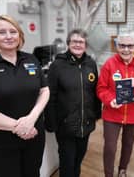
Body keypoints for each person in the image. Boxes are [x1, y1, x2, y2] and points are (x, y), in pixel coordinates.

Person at [0, 15, 50, 177]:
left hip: (33, 137)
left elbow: (44, 90)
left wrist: (32, 119)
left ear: (19, 35)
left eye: (13, 31)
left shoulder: (31, 59)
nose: (8, 36)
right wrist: (19, 127)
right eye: (2, 32)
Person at [96, 30, 134, 177]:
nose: (126, 49)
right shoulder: (109, 64)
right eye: (122, 45)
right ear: (117, 46)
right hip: (112, 113)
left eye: (130, 46)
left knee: (128, 145)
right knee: (110, 147)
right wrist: (110, 100)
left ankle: (122, 170)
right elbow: (101, 88)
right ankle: (108, 174)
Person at [45, 28, 101, 177]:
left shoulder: (91, 64)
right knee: (67, 162)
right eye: (74, 41)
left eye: (81, 42)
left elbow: (96, 91)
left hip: (86, 123)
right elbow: (50, 96)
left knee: (78, 159)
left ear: (86, 45)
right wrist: (51, 122)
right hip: (65, 125)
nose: (78, 44)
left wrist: (96, 114)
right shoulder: (57, 66)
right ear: (68, 43)